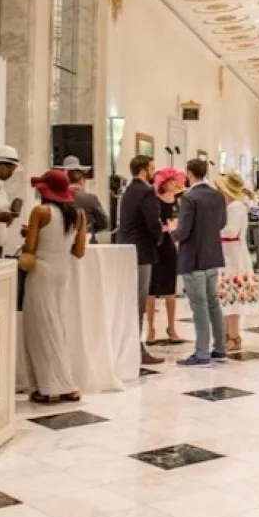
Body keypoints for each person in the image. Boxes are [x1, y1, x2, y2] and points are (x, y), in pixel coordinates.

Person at [21, 170, 86, 404]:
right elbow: (79, 251)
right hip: (62, 273)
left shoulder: (40, 212)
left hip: (42, 272)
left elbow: (30, 248)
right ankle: (66, 385)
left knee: (40, 329)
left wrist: (28, 234)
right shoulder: (78, 215)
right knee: (57, 326)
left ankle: (49, 386)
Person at [175, 158, 227, 367]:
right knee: (213, 302)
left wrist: (171, 233)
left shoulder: (189, 197)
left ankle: (202, 352)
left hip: (193, 256)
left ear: (189, 174)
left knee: (200, 305)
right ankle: (220, 348)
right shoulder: (217, 195)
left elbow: (184, 231)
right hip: (212, 255)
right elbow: (221, 223)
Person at [117, 155, 164, 366]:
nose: (154, 172)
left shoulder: (128, 190)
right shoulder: (146, 192)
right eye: (152, 168)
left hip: (126, 249)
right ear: (144, 170)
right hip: (142, 250)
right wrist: (160, 238)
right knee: (139, 301)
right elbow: (152, 222)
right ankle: (136, 349)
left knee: (130, 300)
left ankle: (130, 347)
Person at [215, 172, 259, 354]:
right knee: (226, 296)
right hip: (227, 254)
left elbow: (231, 231)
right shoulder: (231, 206)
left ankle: (233, 335)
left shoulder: (236, 207)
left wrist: (211, 229)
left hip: (233, 256)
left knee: (232, 295)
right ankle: (227, 334)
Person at [146, 168, 184, 345]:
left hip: (169, 245)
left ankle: (172, 326)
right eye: (171, 181)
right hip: (155, 245)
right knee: (151, 290)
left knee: (170, 289)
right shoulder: (154, 201)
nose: (175, 183)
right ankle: (151, 328)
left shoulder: (178, 201)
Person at [62, 156, 108, 242]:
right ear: (82, 180)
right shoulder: (91, 198)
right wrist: (90, 230)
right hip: (87, 243)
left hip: (65, 244)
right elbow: (104, 223)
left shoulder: (59, 198)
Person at [0, 145, 20, 258]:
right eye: (8, 168)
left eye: (13, 169)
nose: (11, 172)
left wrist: (10, 216)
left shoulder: (1, 185)